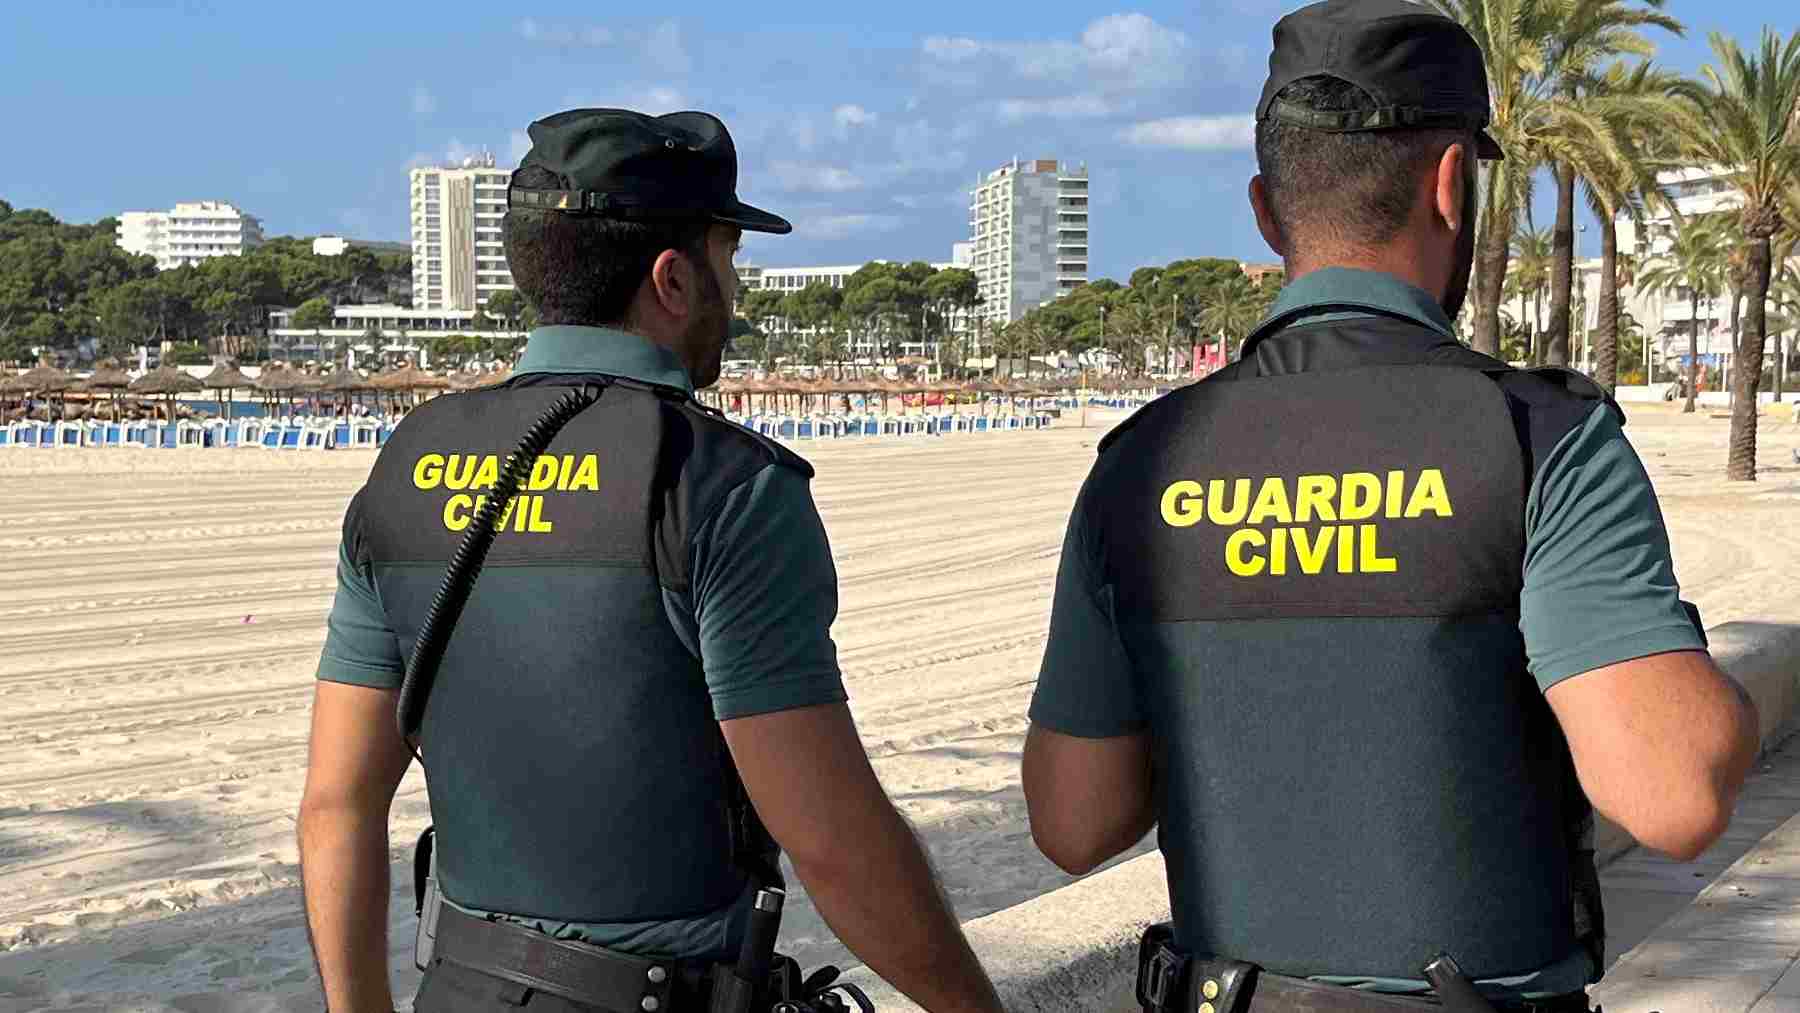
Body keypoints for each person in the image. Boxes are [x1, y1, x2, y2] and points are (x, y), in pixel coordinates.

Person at [1020, 3, 1762, 1011]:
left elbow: (1072, 820)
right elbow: (1673, 796)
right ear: (1454, 185)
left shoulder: (1139, 463)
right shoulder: (1537, 437)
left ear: (1266, 210)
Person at [297, 107, 1002, 1013]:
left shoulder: (404, 467)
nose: (733, 293)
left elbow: (338, 805)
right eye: (729, 259)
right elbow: (834, 842)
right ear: (673, 278)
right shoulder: (722, 486)